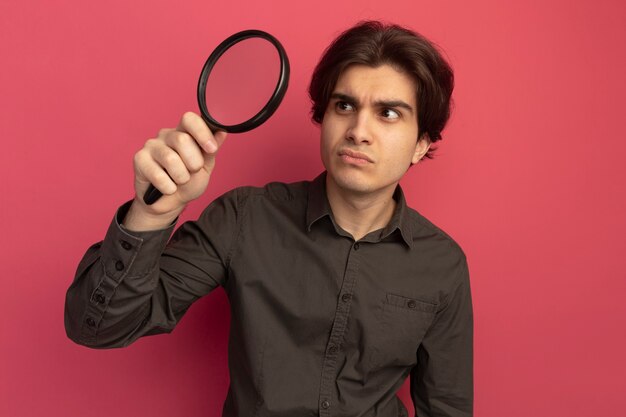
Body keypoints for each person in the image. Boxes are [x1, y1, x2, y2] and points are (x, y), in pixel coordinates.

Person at [65, 20, 473, 417]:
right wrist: (153, 212)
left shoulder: (443, 263)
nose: (358, 131)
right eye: (344, 105)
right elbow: (97, 327)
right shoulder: (245, 217)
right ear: (324, 117)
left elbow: (447, 407)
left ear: (421, 144)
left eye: (388, 113)